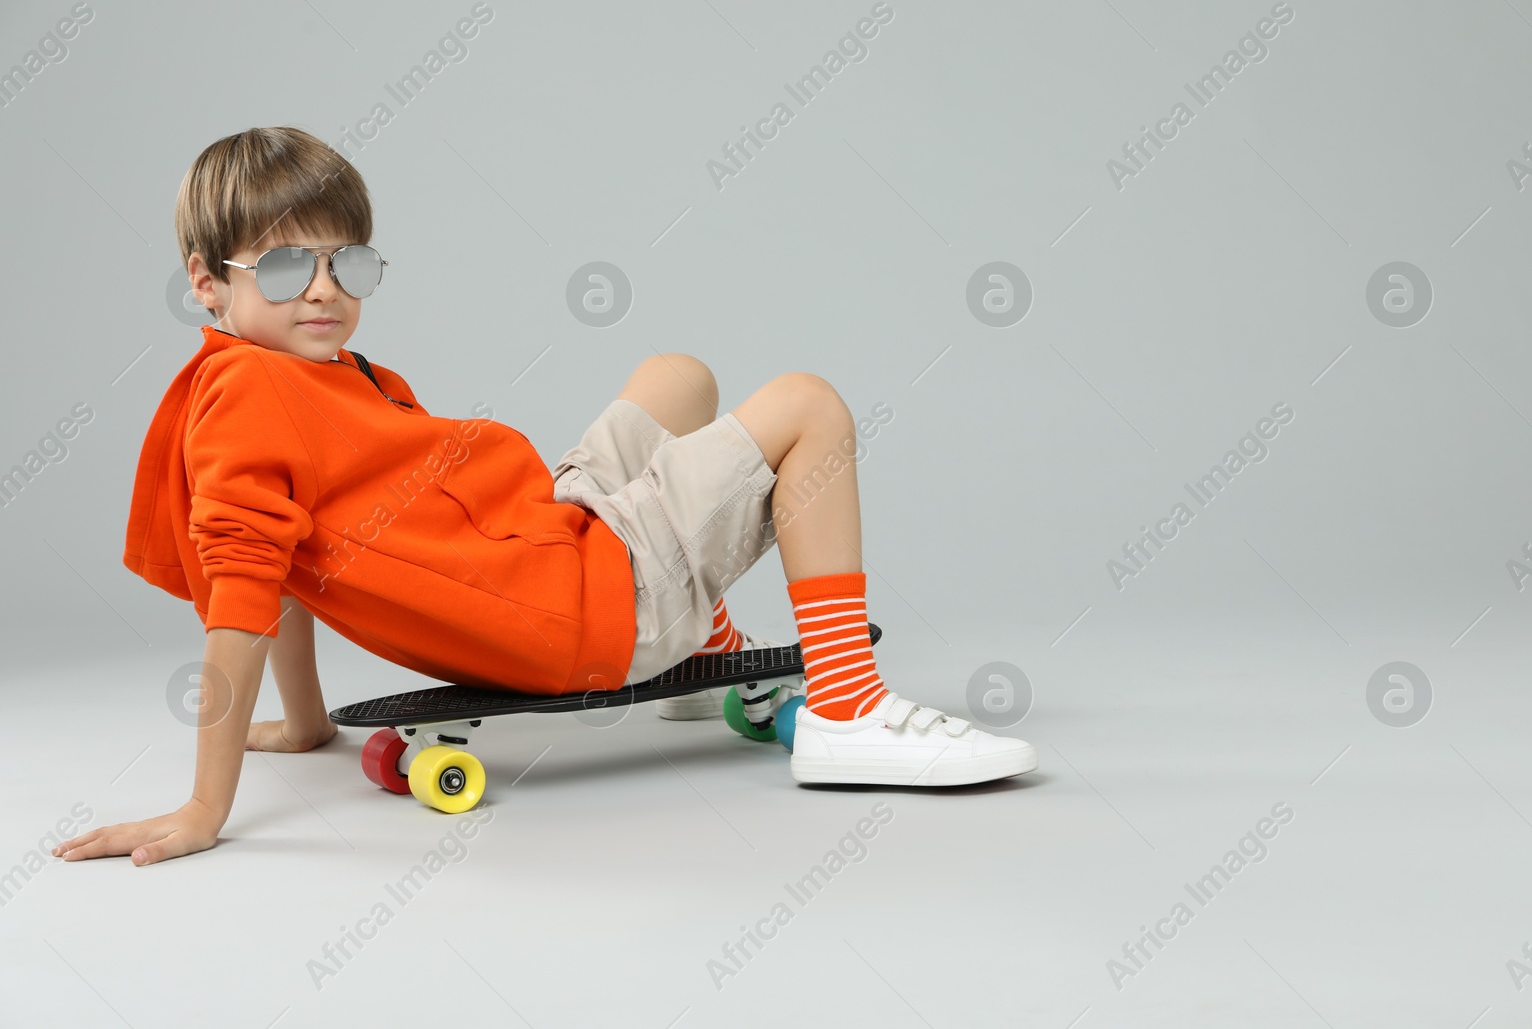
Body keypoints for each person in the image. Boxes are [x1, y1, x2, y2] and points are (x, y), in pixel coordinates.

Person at [53, 126, 1036, 867]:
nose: (322, 288)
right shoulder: (248, 397)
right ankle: (848, 710)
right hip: (585, 603)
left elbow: (295, 568)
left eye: (345, 261)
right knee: (809, 408)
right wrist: (202, 809)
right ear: (205, 283)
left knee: (676, 374)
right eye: (281, 264)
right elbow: (244, 590)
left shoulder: (325, 373)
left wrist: (306, 722)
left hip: (554, 533)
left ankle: (708, 644)